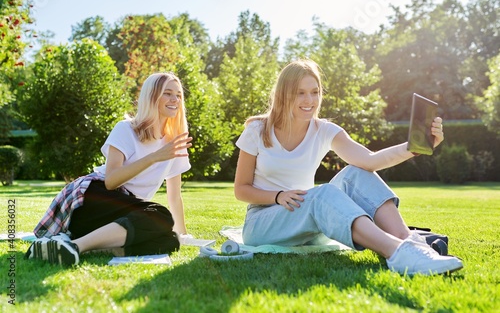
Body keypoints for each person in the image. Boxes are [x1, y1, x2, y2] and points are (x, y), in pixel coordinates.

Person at [233, 59, 463, 275]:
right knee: (321, 194)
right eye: (300, 93)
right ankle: (396, 253)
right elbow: (241, 189)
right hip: (262, 223)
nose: (309, 101)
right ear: (284, 95)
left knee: (355, 172)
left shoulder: (323, 129)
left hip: (307, 218)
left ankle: (409, 242)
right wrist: (278, 196)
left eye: (315, 92)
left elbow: (370, 160)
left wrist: (414, 147)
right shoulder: (258, 130)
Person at [25, 72, 193, 266]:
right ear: (152, 96)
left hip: (122, 213)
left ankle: (69, 245)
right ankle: (75, 247)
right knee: (159, 215)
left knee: (170, 240)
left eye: (179, 95)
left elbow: (174, 195)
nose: (175, 100)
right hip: (93, 198)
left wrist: (183, 233)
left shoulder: (174, 142)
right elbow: (111, 181)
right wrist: (155, 157)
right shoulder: (126, 129)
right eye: (168, 93)